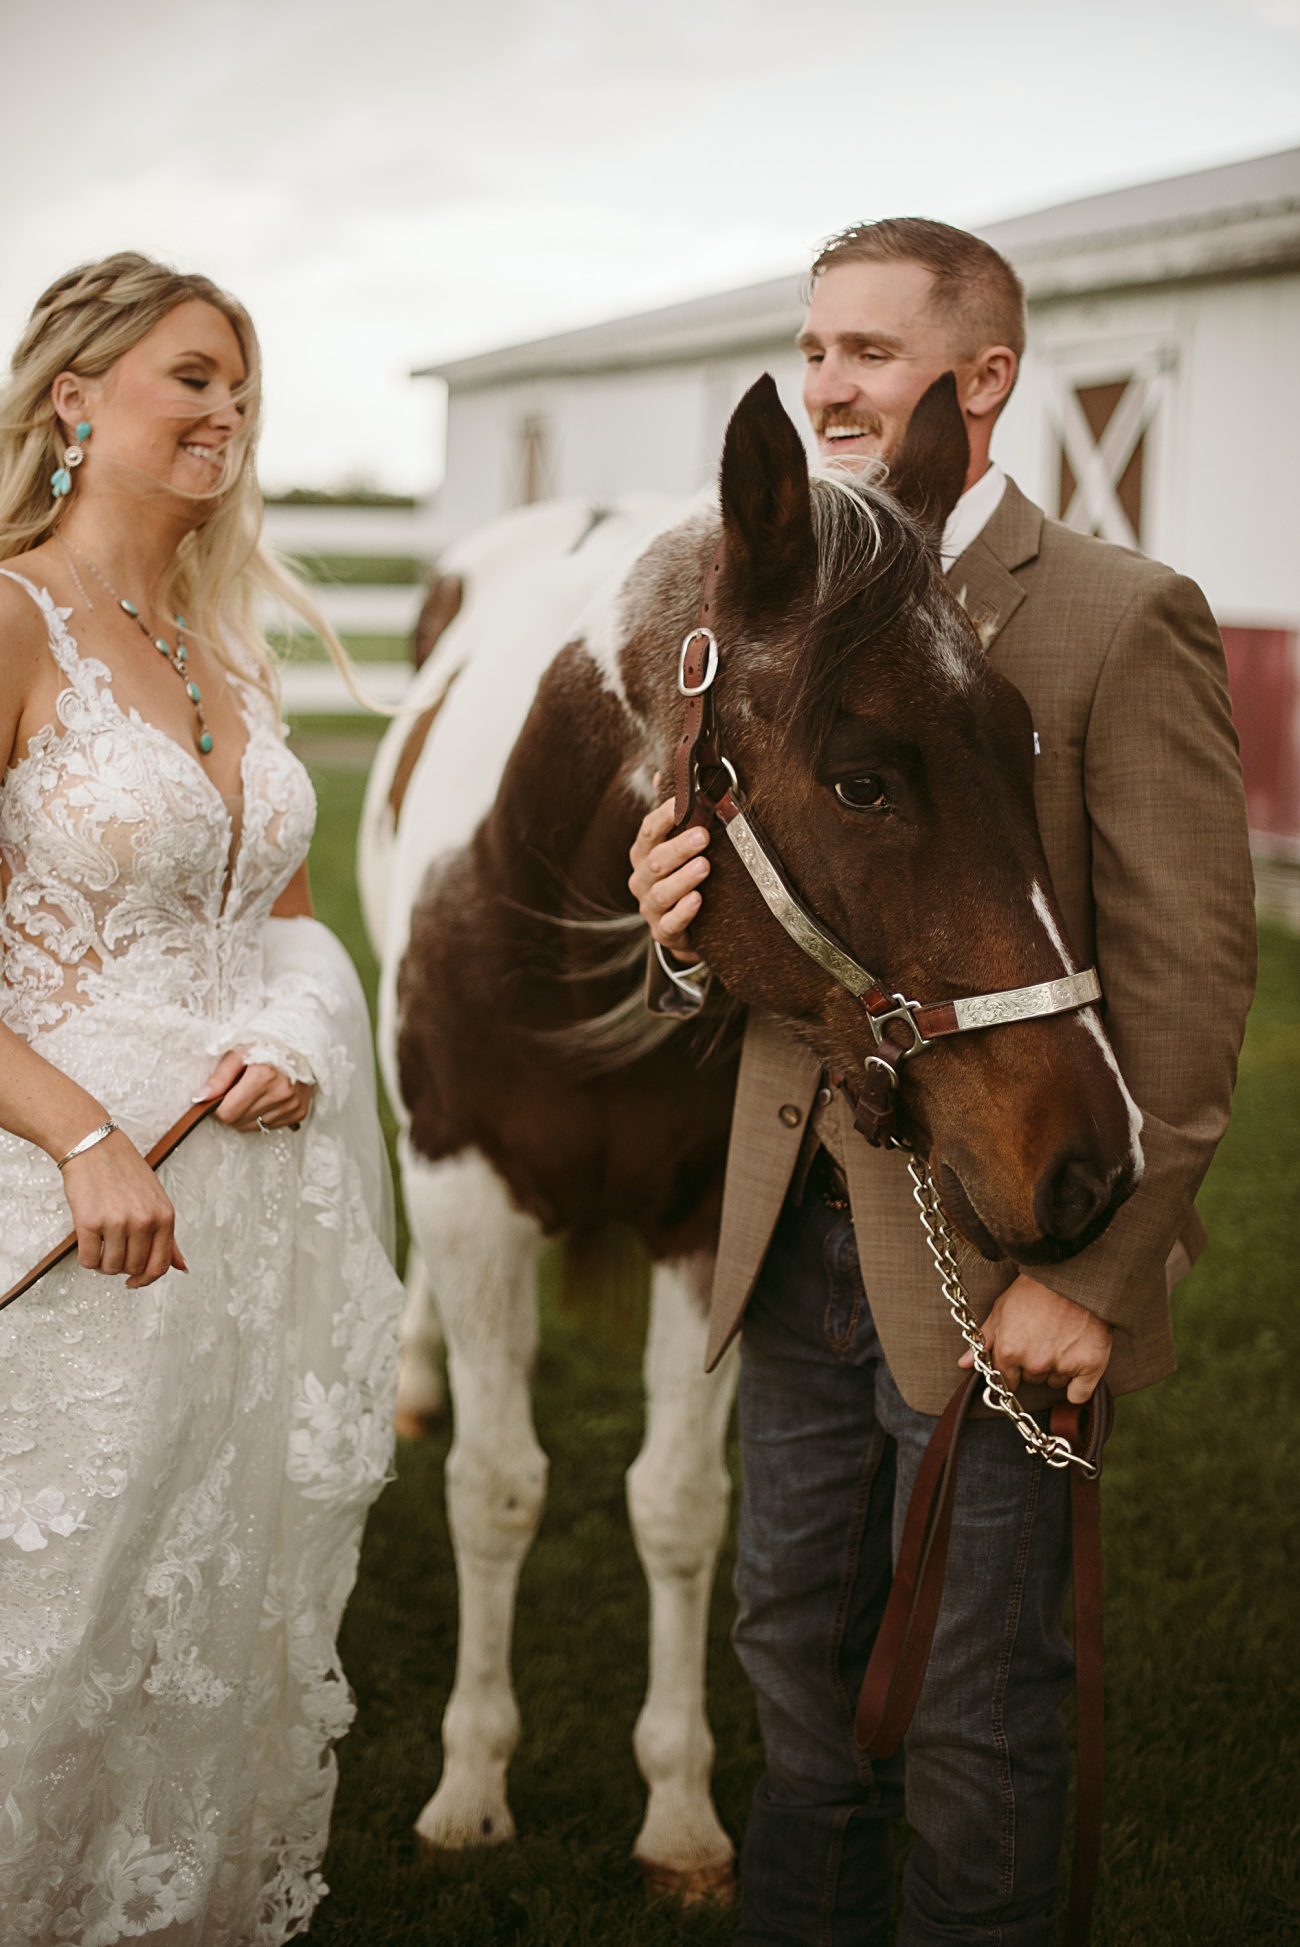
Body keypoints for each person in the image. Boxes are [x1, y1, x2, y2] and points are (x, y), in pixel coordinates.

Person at [629, 219, 1256, 1944]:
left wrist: (1100, 1281)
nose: (830, 383)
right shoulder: (766, 606)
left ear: (981, 382)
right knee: (799, 1696)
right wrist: (676, 930)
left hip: (1003, 1264)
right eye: (814, 347)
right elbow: (765, 944)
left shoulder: (1122, 620)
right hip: (792, 1244)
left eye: (872, 354)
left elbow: (1195, 993)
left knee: (978, 1714)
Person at [0, 253, 403, 1945]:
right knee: (56, 1623)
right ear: (76, 400)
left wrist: (307, 1037)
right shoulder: (10, 620)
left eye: (241, 383)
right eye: (191, 376)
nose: (227, 410)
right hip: (66, 1213)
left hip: (243, 1239)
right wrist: (82, 1136)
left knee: (209, 1632)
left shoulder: (227, 649)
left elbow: (291, 928)